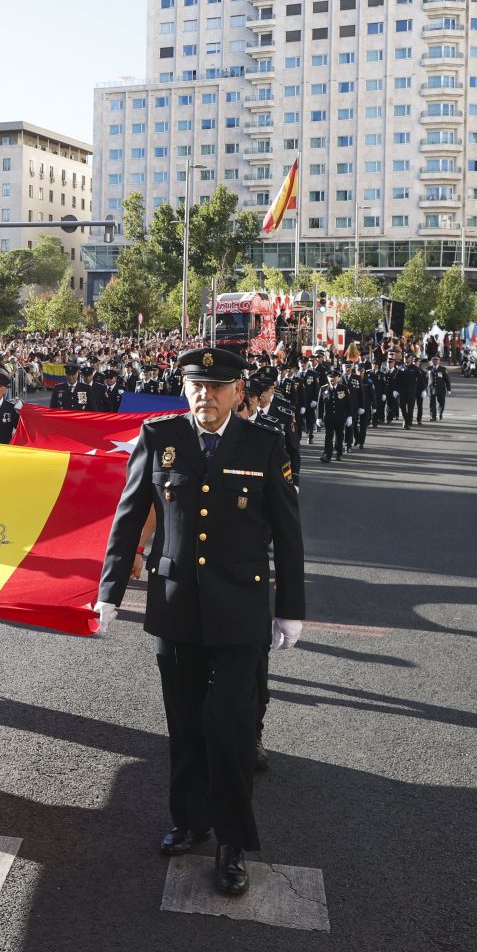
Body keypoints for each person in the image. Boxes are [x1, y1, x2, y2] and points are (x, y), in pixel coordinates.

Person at [94, 345, 305, 898]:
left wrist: (292, 609)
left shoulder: (264, 444)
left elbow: (288, 533)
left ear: (238, 392)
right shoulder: (160, 438)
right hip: (177, 605)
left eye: (216, 387)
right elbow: (128, 515)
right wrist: (110, 591)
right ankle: (191, 820)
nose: (204, 396)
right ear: (185, 389)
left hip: (240, 611)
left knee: (230, 728)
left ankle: (232, 842)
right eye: (195, 386)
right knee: (185, 722)